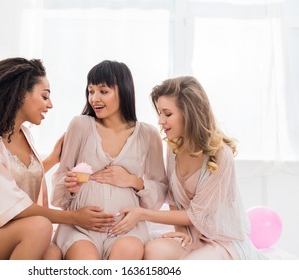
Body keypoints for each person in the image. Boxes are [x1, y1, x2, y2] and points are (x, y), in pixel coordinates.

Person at [0, 57, 115, 260]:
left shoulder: (25, 134)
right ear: (20, 95)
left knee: (53, 252)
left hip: (16, 231)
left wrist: (53, 159)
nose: (50, 105)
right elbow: (10, 204)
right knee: (40, 227)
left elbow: (15, 177)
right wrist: (75, 218)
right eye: (44, 97)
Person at [109, 76, 264, 259]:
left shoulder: (221, 155)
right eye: (159, 113)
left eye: (167, 114)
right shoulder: (174, 147)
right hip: (190, 235)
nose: (160, 120)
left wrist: (142, 214)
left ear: (189, 113)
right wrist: (180, 233)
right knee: (152, 251)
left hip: (220, 239)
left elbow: (195, 214)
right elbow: (174, 199)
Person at [51, 60, 167, 260]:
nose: (94, 98)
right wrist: (70, 186)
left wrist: (132, 181)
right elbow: (61, 180)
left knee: (127, 253)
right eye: (91, 91)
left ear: (123, 91)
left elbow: (160, 191)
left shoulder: (148, 135)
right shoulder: (80, 125)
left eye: (103, 91)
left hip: (126, 228)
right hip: (81, 229)